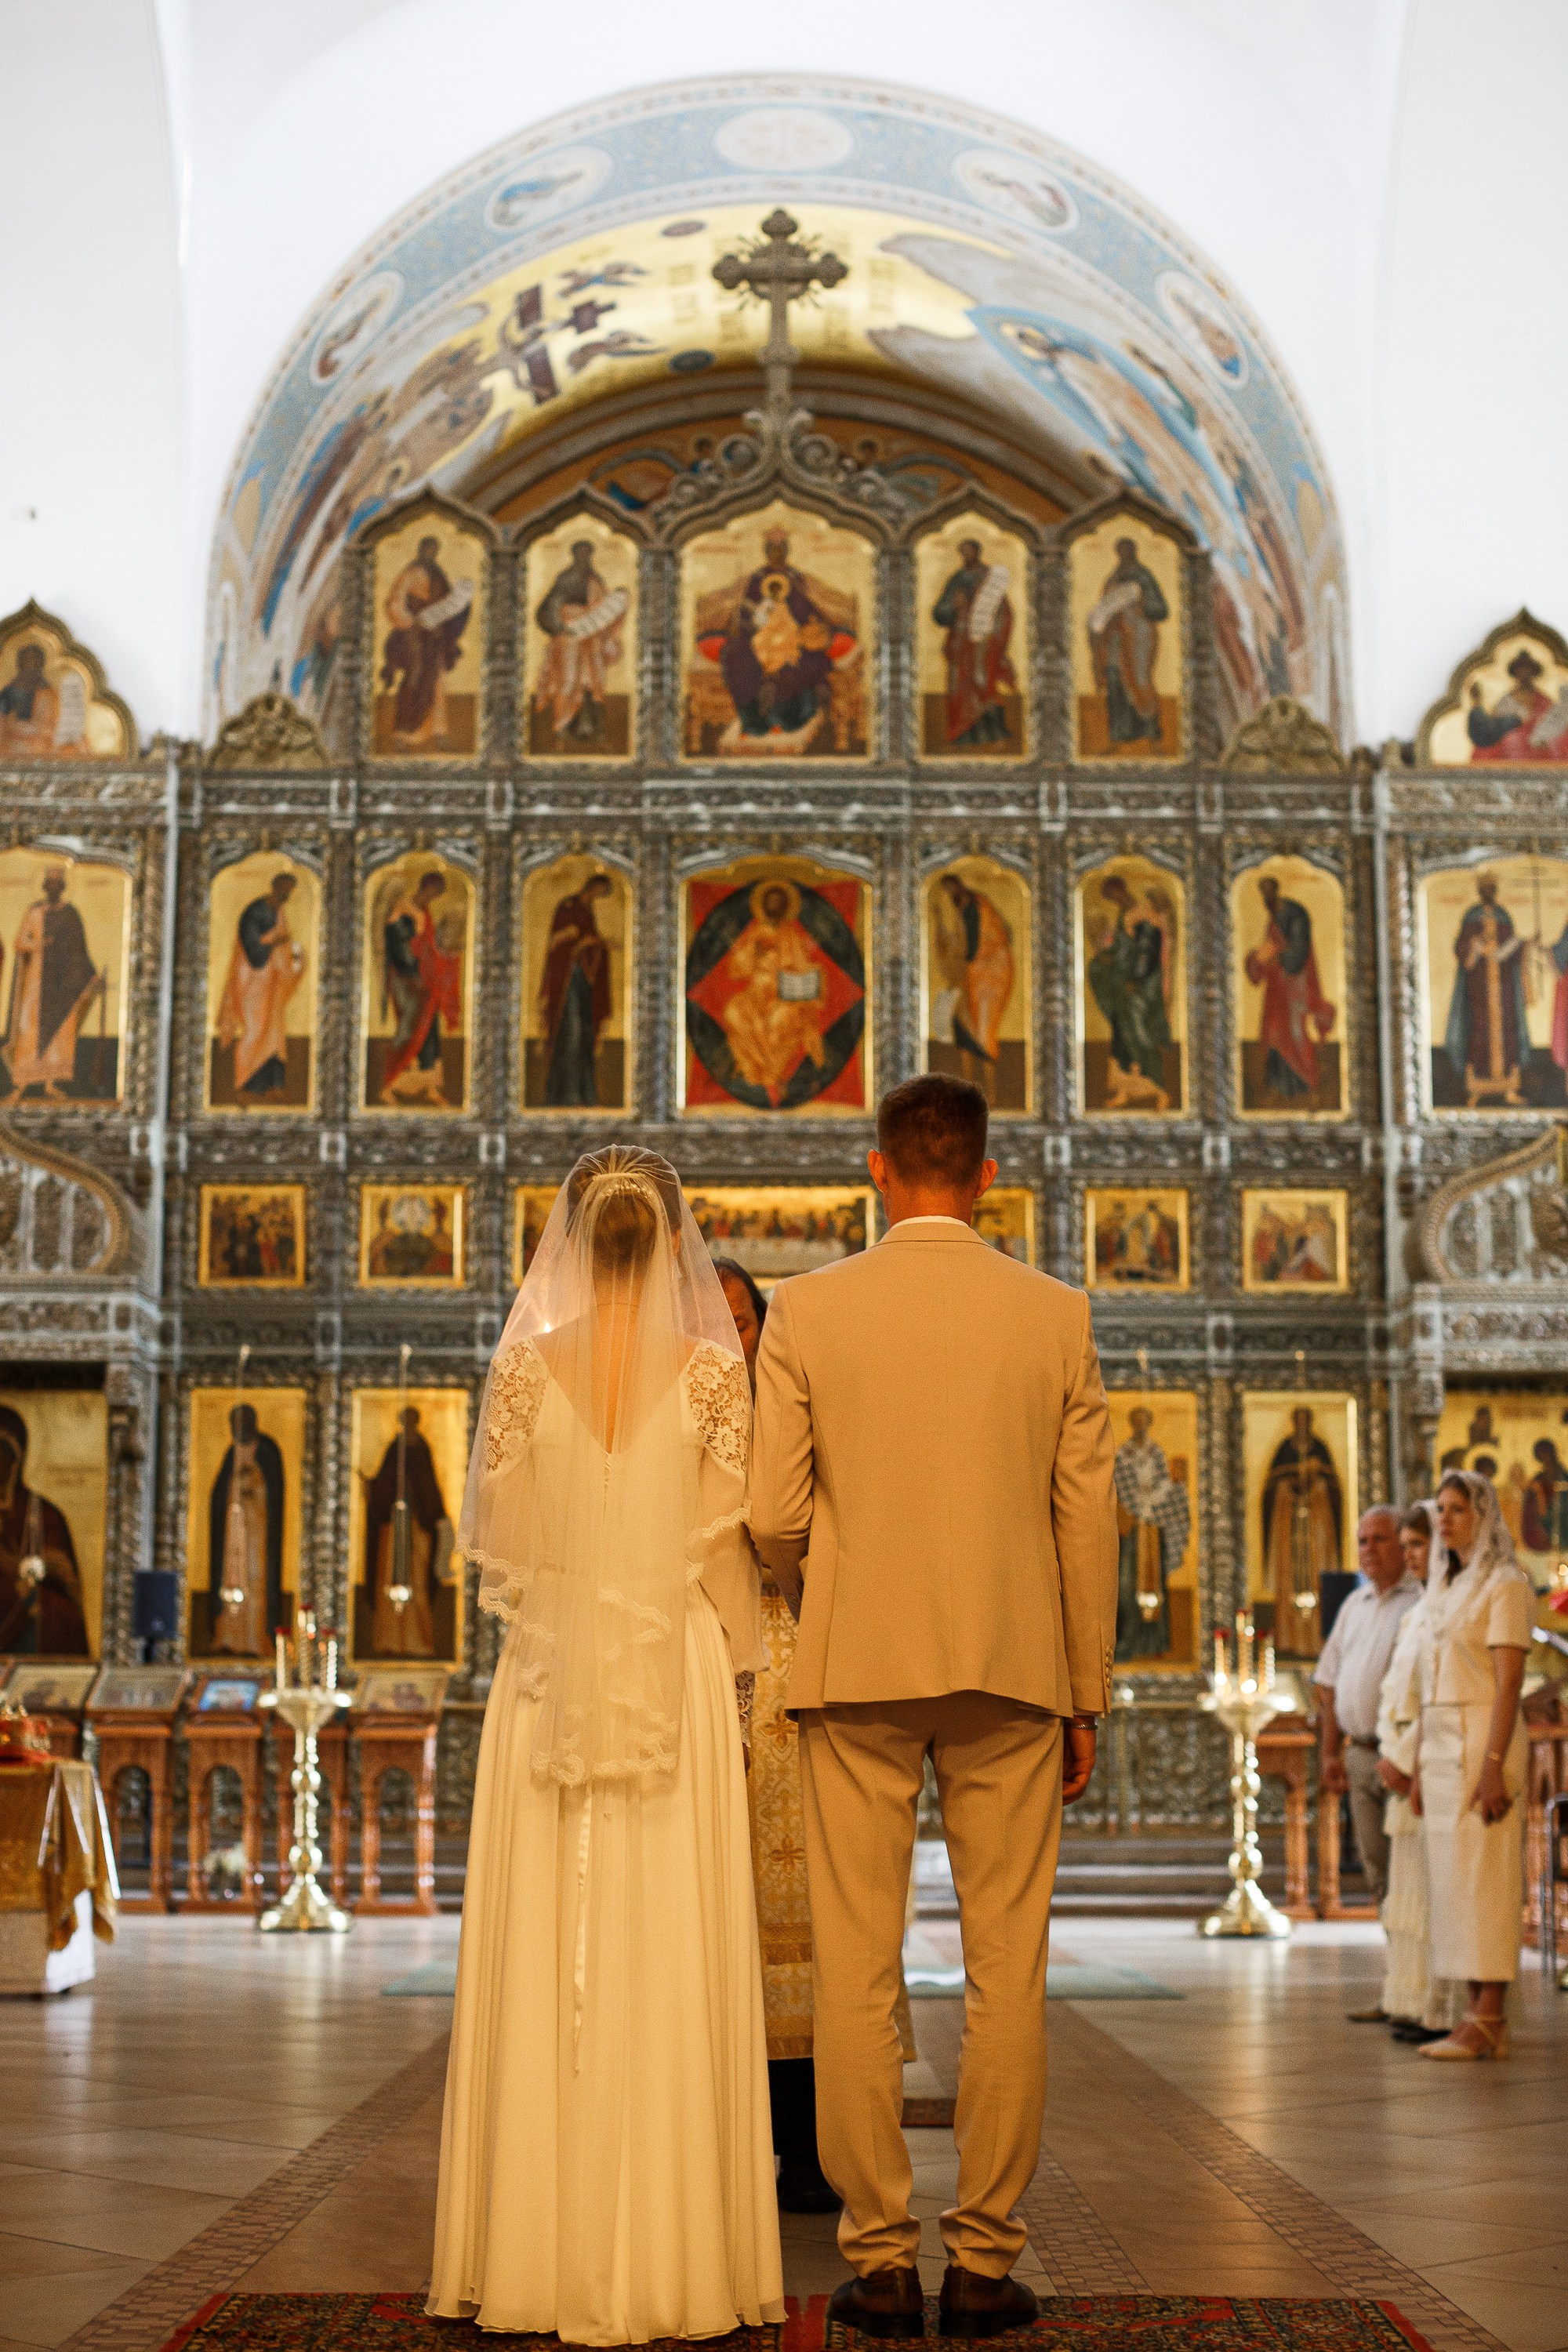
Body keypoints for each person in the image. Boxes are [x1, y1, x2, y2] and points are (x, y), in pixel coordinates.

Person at [750, 1073, 1117, 2340]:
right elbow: (1088, 1525)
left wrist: (828, 1593)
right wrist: (1087, 1694)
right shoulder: (1054, 1314)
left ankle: (882, 2258)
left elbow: (770, 1517)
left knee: (856, 1959)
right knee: (1007, 1962)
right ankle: (985, 2261)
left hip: (856, 1669)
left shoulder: (807, 1308)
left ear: (876, 1168)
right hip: (1017, 1670)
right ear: (988, 1175)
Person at [428, 1148, 782, 2340]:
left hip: (551, 1670)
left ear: (572, 1240)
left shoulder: (526, 1369)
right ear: (673, 1242)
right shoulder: (714, 1377)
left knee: (548, 1940)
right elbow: (735, 1562)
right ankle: (669, 2250)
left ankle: (537, 2240)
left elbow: (509, 1548)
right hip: (672, 1667)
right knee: (667, 1930)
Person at [713, 1255, 913, 2218]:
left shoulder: (798, 1403)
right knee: (722, 1914)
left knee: (819, 1908)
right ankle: (724, 2133)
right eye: (711, 1319)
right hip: (703, 1666)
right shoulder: (677, 1416)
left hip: (799, 1661)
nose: (732, 1337)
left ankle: (818, 2144)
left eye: (744, 1319)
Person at [1412, 1470, 1533, 2060]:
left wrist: (1492, 1764)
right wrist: (1415, 1758)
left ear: (1483, 1516)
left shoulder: (1506, 1584)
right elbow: (1426, 1678)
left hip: (1484, 1733)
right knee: (1452, 1881)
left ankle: (1491, 2014)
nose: (1445, 1519)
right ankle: (1470, 2012)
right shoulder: (1446, 1586)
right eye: (1440, 1509)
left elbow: (1510, 1682)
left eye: (1457, 1509)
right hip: (1438, 1741)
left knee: (1486, 1873)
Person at [1313, 1505, 1425, 1951]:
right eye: (1362, 1540)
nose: (1369, 1549)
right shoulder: (1353, 1606)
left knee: (1410, 1870)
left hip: (1402, 1755)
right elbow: (1328, 1684)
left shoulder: (1420, 1602)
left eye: (1379, 1539)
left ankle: (1419, 1985)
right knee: (1377, 1871)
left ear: (1403, 1544)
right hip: (1360, 1754)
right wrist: (1329, 1752)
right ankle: (1397, 1978)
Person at [1373, 1505, 1461, 2046]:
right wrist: (1390, 1752)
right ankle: (1407, 2002)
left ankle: (1440, 2007)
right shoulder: (1416, 1613)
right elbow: (1396, 1692)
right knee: (1407, 1892)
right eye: (1405, 1545)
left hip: (1425, 1763)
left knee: (1433, 1897)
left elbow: (1436, 1697)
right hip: (1401, 1765)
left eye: (1417, 1544)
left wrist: (1406, 1759)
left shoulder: (1447, 1609)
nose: (1410, 1555)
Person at [3, 866, 103, 1102]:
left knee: (60, 1035)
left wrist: (90, 976)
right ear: (44, 886)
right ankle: (21, 1084)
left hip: (62, 986)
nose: (53, 888)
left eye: (57, 884)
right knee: (28, 1032)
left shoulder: (70, 914)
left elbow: (79, 949)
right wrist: (39, 945)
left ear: (63, 887)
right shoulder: (34, 911)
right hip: (36, 986)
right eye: (49, 884)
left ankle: (50, 1084)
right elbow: (19, 942)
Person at [0, 1406, 89, 1656]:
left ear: (19, 1458)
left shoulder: (41, 1512)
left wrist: (19, 1567)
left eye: (5, 1452)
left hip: (27, 1609)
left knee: (56, 1610)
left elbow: (61, 1572)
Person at [215, 869, 305, 1102]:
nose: (286, 895)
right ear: (275, 887)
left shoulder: (279, 912)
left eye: (290, 891)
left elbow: (283, 944)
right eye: (284, 889)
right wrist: (275, 942)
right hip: (252, 980)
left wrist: (294, 957)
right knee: (255, 1029)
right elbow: (253, 950)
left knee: (275, 1033)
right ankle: (245, 1082)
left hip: (273, 982)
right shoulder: (255, 911)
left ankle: (275, 1084)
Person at [1244, 873, 1335, 1103]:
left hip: (1296, 985)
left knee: (1295, 1032)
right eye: (1262, 893)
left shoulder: (1294, 914)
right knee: (1273, 1031)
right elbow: (1272, 948)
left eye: (1268, 892)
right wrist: (1257, 960)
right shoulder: (1274, 917)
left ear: (1275, 890)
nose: (1265, 898)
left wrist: (1275, 958)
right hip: (1277, 986)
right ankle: (1278, 1086)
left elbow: (1298, 950)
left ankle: (1305, 1081)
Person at [207, 1403, 286, 1657]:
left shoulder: (267, 1450)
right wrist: (234, 1487)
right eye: (235, 1424)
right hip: (233, 1532)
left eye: (244, 1423)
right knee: (230, 1579)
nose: (239, 1429)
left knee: (255, 1579)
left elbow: (274, 1492)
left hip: (257, 1533)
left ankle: (255, 1640)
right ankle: (227, 1638)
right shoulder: (232, 1452)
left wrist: (254, 1487)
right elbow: (219, 1494)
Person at [1262, 1406, 1343, 1651]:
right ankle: (1287, 1641)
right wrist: (1290, 1485)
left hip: (1316, 1526)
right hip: (1288, 1525)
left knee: (1318, 1575)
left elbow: (1334, 1487)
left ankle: (1319, 1643)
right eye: (1297, 1421)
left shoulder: (1320, 1449)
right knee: (1289, 1577)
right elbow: (1271, 1485)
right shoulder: (1285, 1449)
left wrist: (1316, 1482)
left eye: (1305, 1421)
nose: (1301, 1426)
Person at [533, 539, 628, 747]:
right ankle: (562, 726)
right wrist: (561, 626)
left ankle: (587, 727)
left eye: (588, 553)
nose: (584, 557)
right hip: (569, 637)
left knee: (591, 682)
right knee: (567, 680)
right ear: (575, 554)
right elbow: (550, 606)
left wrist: (617, 602)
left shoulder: (595, 579)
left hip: (591, 638)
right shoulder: (567, 578)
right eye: (581, 553)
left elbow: (604, 611)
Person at [381, 532, 472, 749]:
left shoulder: (438, 574)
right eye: (428, 549)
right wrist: (412, 622)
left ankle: (436, 731)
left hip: (435, 638)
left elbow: (448, 604)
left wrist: (460, 605)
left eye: (435, 550)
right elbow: (394, 603)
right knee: (414, 680)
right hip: (413, 637)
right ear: (421, 550)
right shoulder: (411, 573)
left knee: (437, 683)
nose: (431, 553)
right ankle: (402, 733)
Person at [379, 869, 462, 1106]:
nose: (433, 898)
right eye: (433, 893)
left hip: (424, 981)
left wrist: (447, 956)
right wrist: (413, 974)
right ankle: (389, 1083)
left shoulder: (424, 912)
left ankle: (431, 1087)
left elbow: (428, 947)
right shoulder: (401, 910)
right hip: (406, 981)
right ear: (425, 888)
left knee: (430, 1030)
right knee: (409, 1029)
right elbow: (399, 947)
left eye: (437, 895)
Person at [537, 873, 614, 1106]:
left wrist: (598, 944)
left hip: (583, 980)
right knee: (571, 1034)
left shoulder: (589, 912)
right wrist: (584, 940)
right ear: (592, 886)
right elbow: (559, 939)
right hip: (567, 979)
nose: (599, 897)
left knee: (585, 1036)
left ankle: (585, 1095)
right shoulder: (569, 906)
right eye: (600, 892)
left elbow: (588, 941)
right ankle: (566, 1095)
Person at [931, 539, 1016, 749]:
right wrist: (952, 605)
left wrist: (993, 638)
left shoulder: (990, 579)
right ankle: (960, 736)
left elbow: (1004, 613)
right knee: (956, 687)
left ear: (977, 552)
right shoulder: (957, 579)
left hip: (983, 644)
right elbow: (939, 613)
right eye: (963, 551)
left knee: (983, 684)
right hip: (959, 643)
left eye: (969, 551)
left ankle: (995, 736)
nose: (966, 555)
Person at [1086, 535, 1168, 745]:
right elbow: (1104, 610)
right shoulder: (1114, 577)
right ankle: (1121, 733)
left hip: (1137, 635)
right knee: (1114, 676)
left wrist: (1139, 607)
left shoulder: (1143, 576)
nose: (1123, 554)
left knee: (1139, 679)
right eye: (1119, 551)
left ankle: (1150, 731)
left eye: (1126, 550)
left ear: (1133, 551)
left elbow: (1160, 609)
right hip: (1114, 638)